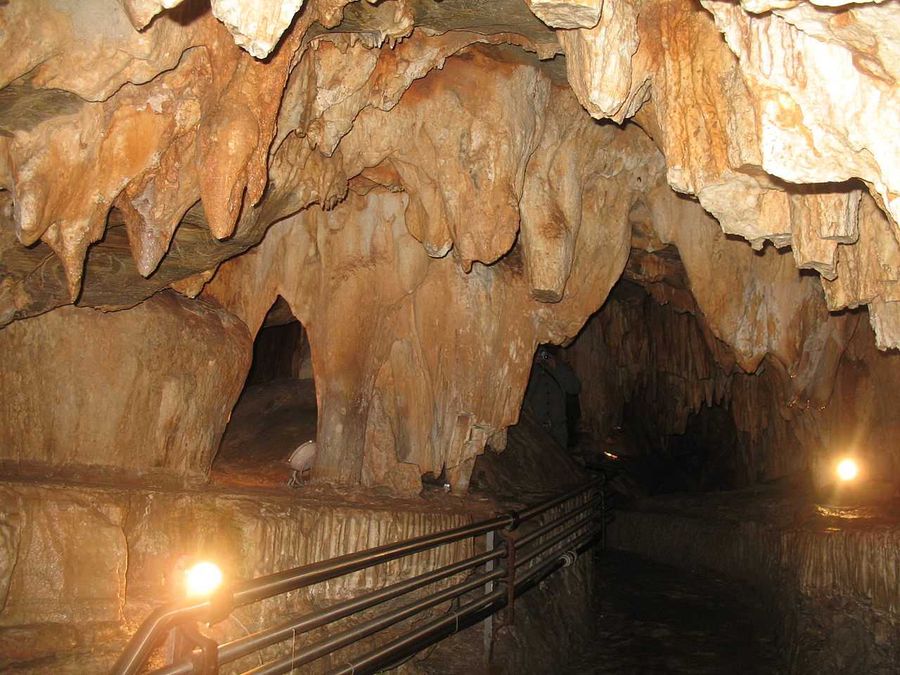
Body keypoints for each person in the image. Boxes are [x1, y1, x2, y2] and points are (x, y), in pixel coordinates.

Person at [523, 345, 581, 449]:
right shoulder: (525, 370)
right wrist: (530, 366)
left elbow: (574, 387)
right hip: (535, 430)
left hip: (558, 430)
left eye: (543, 353)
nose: (541, 356)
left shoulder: (557, 367)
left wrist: (555, 365)